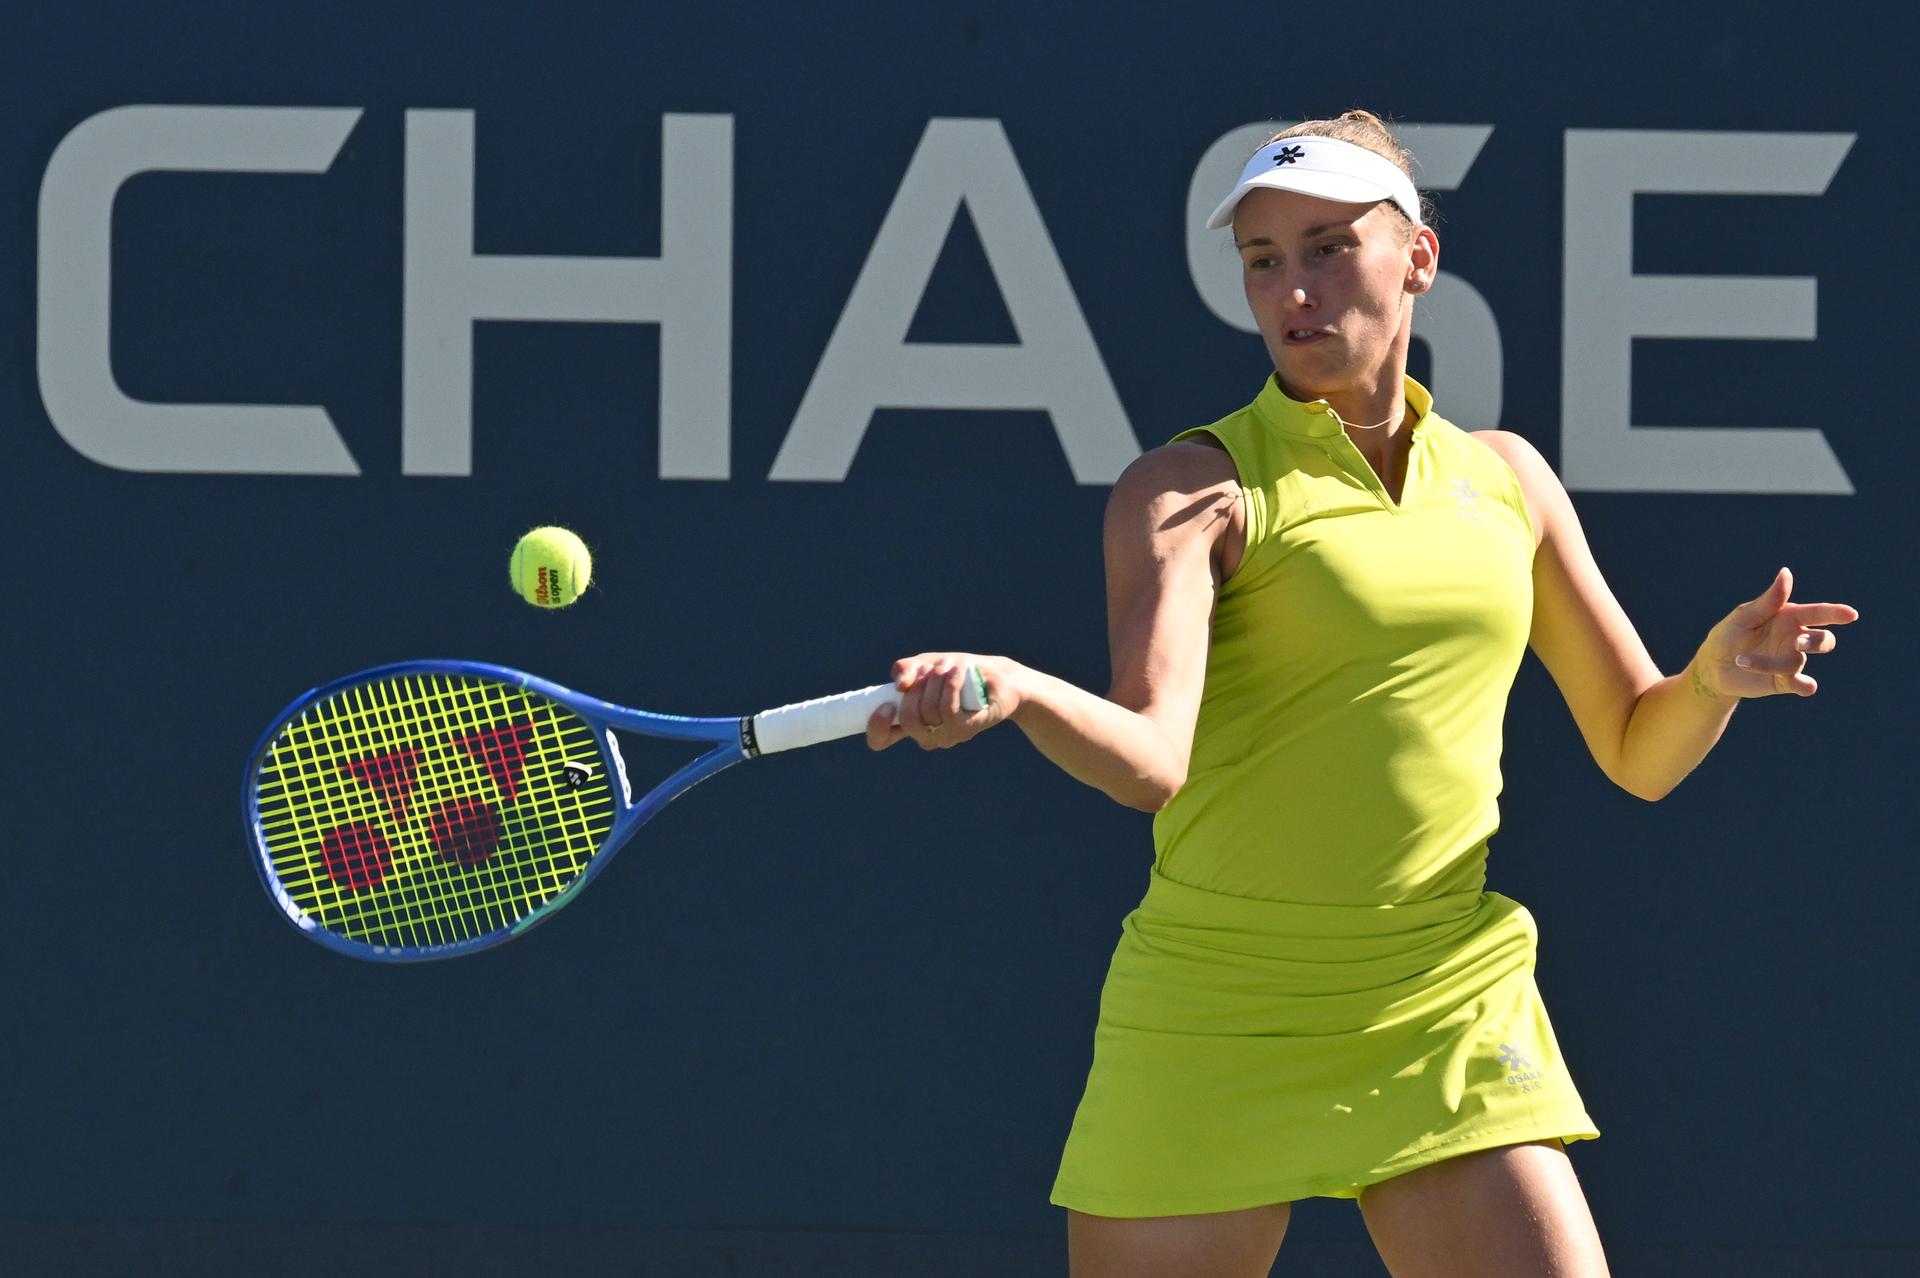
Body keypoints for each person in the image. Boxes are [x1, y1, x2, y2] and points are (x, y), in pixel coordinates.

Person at [863, 110, 1858, 1278]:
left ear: (1418, 258)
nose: (1294, 289)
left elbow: (1640, 747)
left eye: (1330, 247)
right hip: (1214, 1013)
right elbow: (1149, 761)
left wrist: (1712, 680)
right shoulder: (1192, 488)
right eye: (1264, 259)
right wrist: (1023, 693)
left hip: (1442, 998)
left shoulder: (1508, 481)